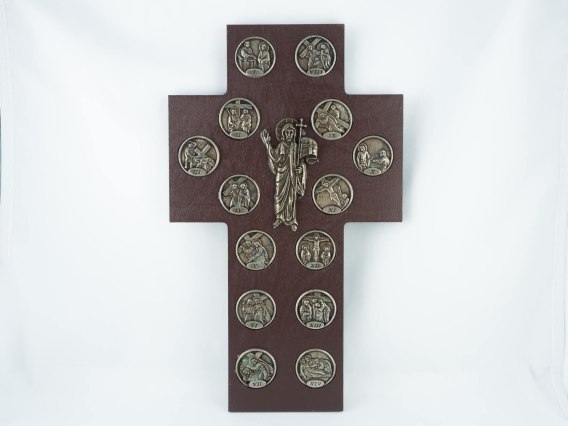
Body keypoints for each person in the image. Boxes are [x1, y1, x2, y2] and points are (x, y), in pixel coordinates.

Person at [261, 121, 306, 231]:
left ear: (294, 134)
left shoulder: (295, 146)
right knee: (279, 196)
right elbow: (275, 157)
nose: (289, 135)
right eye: (287, 133)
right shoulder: (281, 145)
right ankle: (279, 218)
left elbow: (301, 161)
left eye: (291, 133)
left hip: (292, 175)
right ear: (283, 134)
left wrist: (300, 168)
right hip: (281, 174)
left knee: (291, 197)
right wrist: (267, 144)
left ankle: (292, 220)